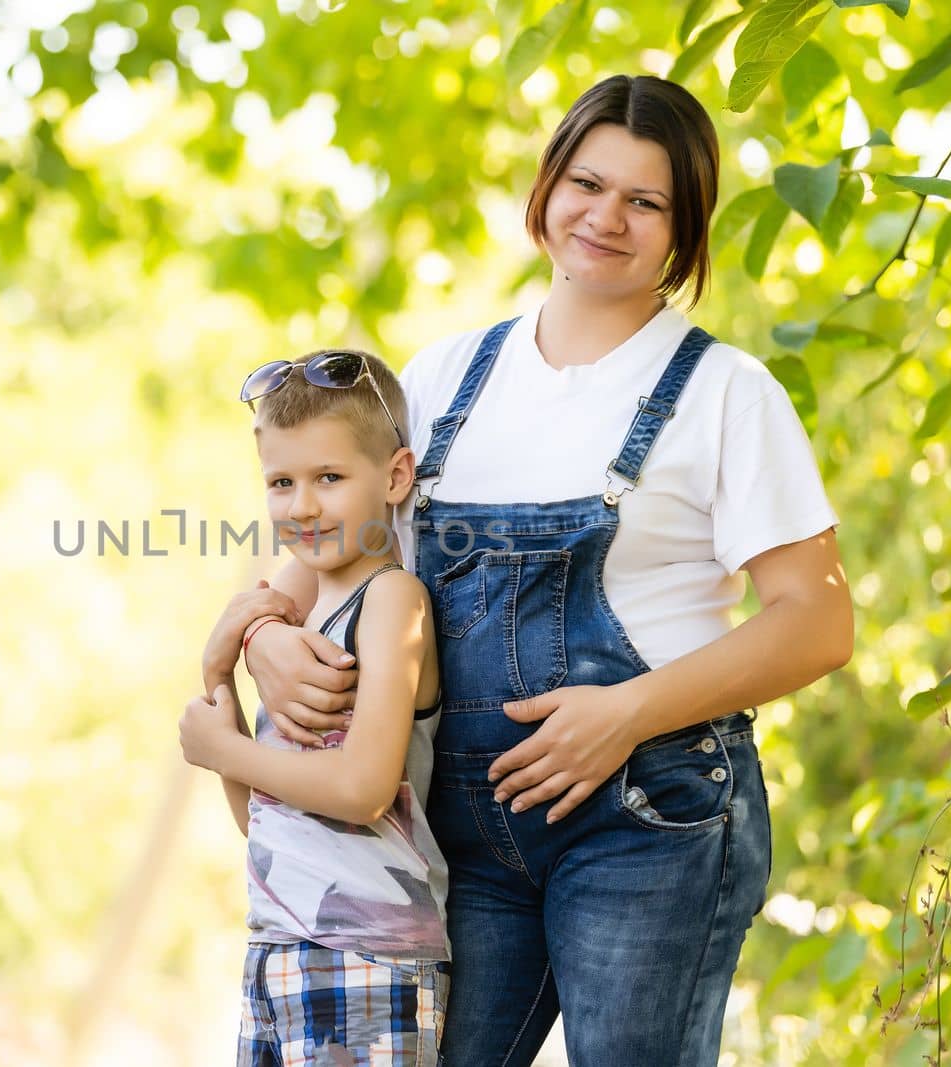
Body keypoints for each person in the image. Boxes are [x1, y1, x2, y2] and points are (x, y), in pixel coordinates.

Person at [216, 75, 855, 1065]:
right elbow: (330, 536)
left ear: (683, 230)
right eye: (586, 184)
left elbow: (813, 621)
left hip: (651, 816)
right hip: (460, 832)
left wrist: (626, 712)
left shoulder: (728, 391)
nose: (604, 217)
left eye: (645, 202)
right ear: (547, 186)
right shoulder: (443, 380)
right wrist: (266, 630)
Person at [179, 348, 450, 1065]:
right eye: (281, 481)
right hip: (277, 944)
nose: (301, 504)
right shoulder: (300, 614)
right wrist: (221, 680)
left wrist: (225, 749)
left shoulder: (392, 601)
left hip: (368, 956)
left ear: (395, 475)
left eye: (329, 477)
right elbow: (266, 821)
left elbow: (362, 791)